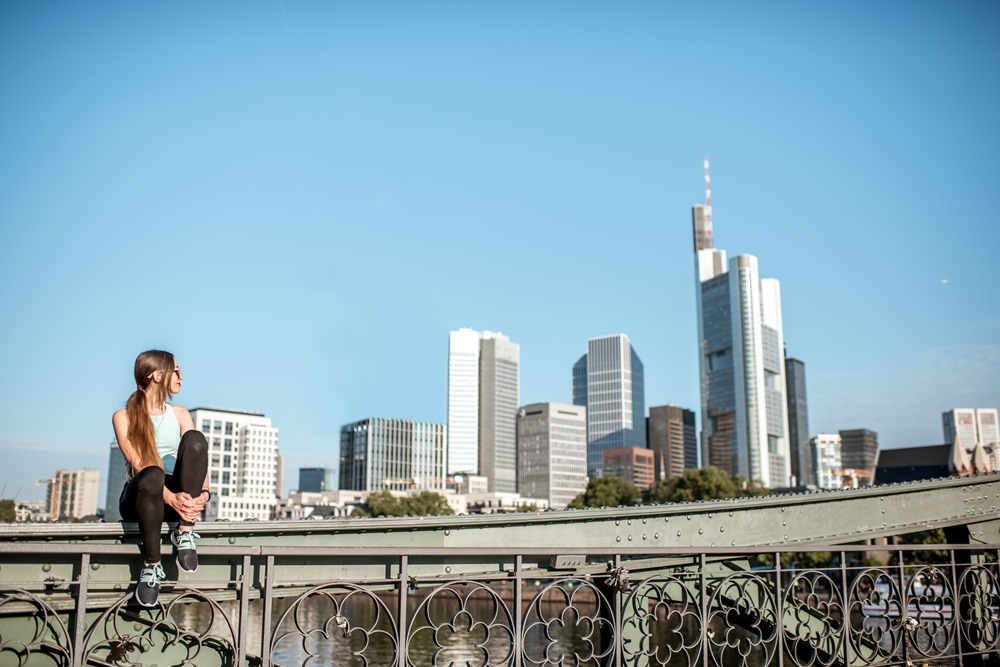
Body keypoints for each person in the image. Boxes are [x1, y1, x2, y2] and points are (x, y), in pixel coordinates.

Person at [112, 350, 211, 607]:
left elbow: (197, 458)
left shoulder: (179, 413)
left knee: (196, 439)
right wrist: (171, 499)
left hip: (178, 502)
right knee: (153, 472)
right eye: (175, 370)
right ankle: (152, 565)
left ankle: (185, 532)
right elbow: (138, 463)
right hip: (141, 498)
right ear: (157, 375)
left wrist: (203, 495)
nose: (181, 376)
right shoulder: (123, 417)